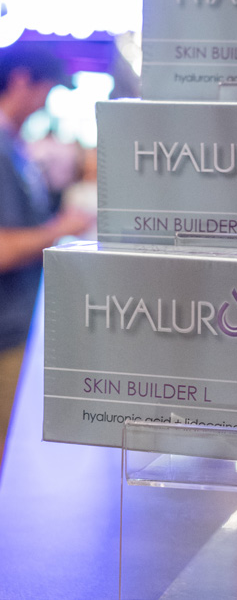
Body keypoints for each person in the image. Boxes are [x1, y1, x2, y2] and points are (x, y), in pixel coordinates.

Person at [0, 43, 93, 464]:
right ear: (21, 80)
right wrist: (61, 229)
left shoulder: (13, 144)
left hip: (18, 324)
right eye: (46, 89)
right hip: (6, 332)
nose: (45, 103)